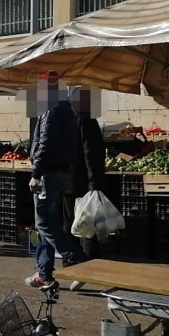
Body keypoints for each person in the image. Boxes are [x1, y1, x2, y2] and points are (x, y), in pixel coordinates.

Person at [26, 71, 88, 290]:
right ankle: (45, 273)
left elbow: (46, 144)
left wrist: (36, 174)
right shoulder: (67, 109)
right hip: (61, 172)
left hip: (48, 174)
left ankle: (78, 261)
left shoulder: (52, 109)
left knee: (44, 222)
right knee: (47, 223)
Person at [65, 87, 104, 259]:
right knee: (86, 225)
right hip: (81, 181)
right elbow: (91, 153)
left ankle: (71, 260)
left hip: (67, 181)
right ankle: (88, 261)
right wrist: (94, 183)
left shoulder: (66, 118)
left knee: (70, 224)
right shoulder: (86, 119)